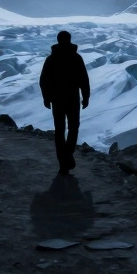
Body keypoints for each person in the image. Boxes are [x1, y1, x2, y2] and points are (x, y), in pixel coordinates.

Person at [39, 30, 90, 176]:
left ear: (58, 40)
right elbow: (84, 79)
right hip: (72, 99)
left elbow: (44, 80)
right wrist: (85, 97)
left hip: (57, 99)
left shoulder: (51, 59)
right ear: (69, 40)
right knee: (74, 127)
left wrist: (46, 97)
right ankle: (68, 153)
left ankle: (63, 161)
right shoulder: (76, 58)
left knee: (59, 130)